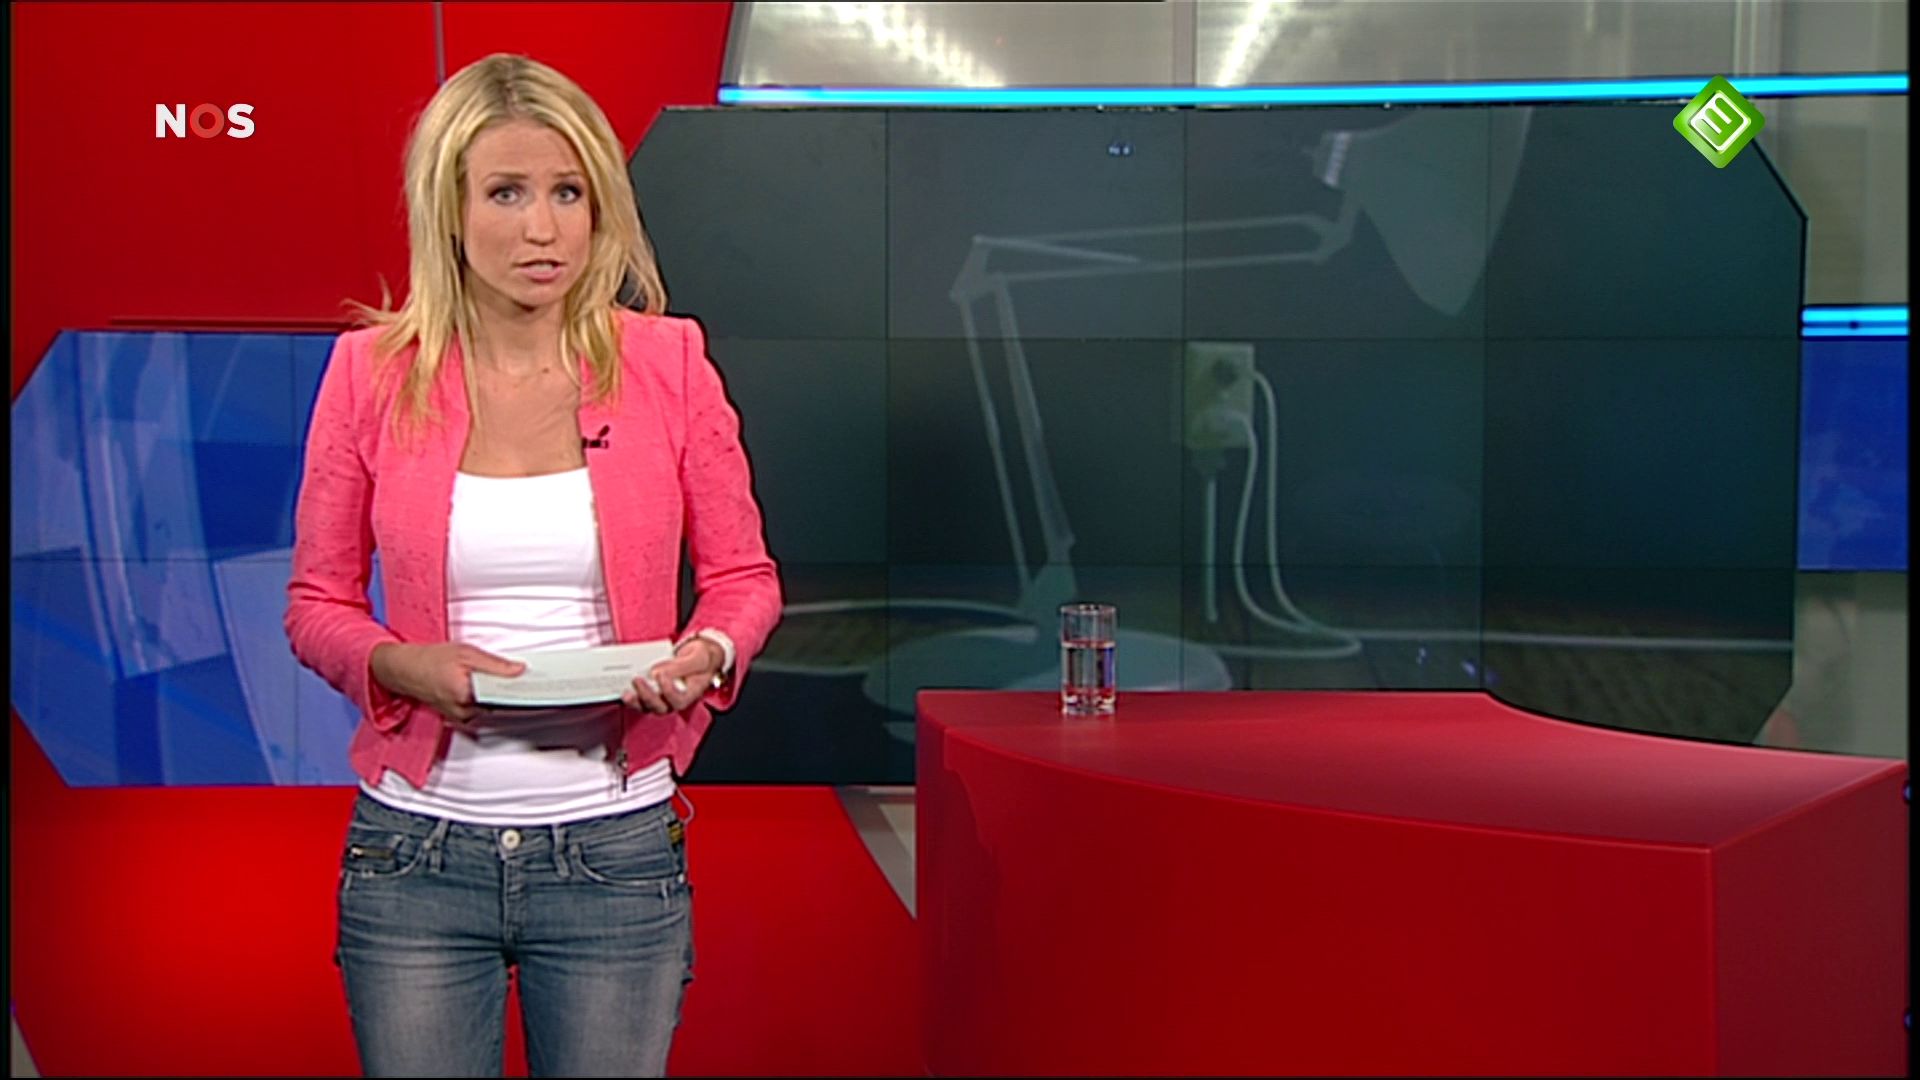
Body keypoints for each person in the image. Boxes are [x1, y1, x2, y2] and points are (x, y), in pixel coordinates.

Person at [284, 53, 781, 1078]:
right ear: (451, 211)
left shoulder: (668, 364)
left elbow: (744, 580)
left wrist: (707, 653)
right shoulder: (371, 374)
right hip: (417, 858)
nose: (543, 230)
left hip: (614, 854)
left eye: (568, 193)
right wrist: (398, 664)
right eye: (506, 193)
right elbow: (316, 601)